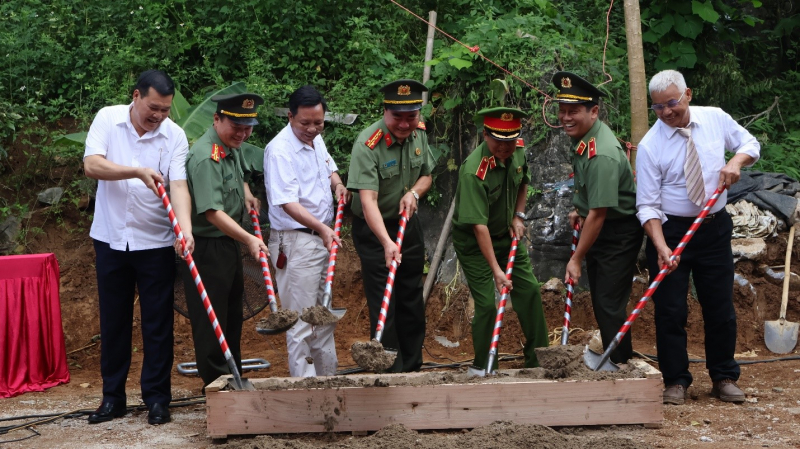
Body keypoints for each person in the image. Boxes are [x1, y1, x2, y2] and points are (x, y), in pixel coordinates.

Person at [636, 69, 760, 405]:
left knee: (719, 306)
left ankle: (723, 376)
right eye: (658, 108)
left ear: (688, 94)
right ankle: (675, 380)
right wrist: (661, 247)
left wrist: (736, 161)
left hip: (714, 228)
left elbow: (751, 143)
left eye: (672, 103)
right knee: (670, 310)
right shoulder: (650, 146)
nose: (667, 112)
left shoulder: (715, 119)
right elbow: (646, 205)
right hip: (671, 231)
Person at [83, 69, 191, 425]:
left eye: (165, 110)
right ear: (136, 96)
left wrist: (185, 230)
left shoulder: (174, 136)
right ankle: (112, 399)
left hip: (155, 241)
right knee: (114, 322)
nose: (158, 116)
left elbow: (178, 186)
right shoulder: (107, 119)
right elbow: (92, 165)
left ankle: (158, 400)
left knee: (157, 324)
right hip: (111, 237)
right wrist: (137, 171)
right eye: (154, 107)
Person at [552, 72, 643, 364]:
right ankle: (615, 356)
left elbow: (599, 215)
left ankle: (620, 363)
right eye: (563, 111)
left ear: (594, 111)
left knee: (608, 301)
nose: (566, 117)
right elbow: (594, 199)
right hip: (603, 223)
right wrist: (580, 206)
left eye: (574, 111)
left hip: (617, 231)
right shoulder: (586, 137)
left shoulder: (600, 154)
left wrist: (576, 259)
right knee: (603, 299)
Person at [451, 107, 549, 372]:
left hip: (506, 235)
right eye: (498, 141)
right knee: (486, 305)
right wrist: (496, 271)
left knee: (529, 290)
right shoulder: (474, 171)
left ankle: (539, 360)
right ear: (485, 135)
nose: (505, 147)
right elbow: (478, 227)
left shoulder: (516, 150)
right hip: (474, 242)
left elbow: (523, 181)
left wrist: (518, 216)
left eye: (510, 140)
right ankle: (483, 366)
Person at [181, 92, 269, 388]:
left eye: (248, 128)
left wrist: (245, 192)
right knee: (212, 323)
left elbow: (236, 175)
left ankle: (233, 380)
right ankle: (217, 387)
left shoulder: (231, 145)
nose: (243, 134)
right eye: (236, 126)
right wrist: (249, 239)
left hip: (227, 244)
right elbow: (211, 212)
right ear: (217, 119)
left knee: (231, 318)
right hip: (208, 248)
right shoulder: (206, 156)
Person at [346, 79, 433, 372]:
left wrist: (414, 193)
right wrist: (386, 243)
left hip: (407, 224)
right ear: (385, 111)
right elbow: (368, 202)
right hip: (374, 230)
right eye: (398, 117)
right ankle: (389, 368)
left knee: (411, 294)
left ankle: (412, 364)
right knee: (386, 298)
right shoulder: (367, 143)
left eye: (412, 117)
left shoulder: (419, 134)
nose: (405, 124)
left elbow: (427, 176)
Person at [264, 85, 349, 377]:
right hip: (297, 242)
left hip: (320, 239)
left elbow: (329, 168)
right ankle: (305, 394)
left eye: (319, 122)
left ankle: (328, 384)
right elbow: (288, 203)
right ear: (290, 116)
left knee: (322, 316)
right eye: (305, 123)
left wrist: (337, 184)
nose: (313, 129)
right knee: (301, 323)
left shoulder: (315, 139)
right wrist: (322, 229)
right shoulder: (279, 151)